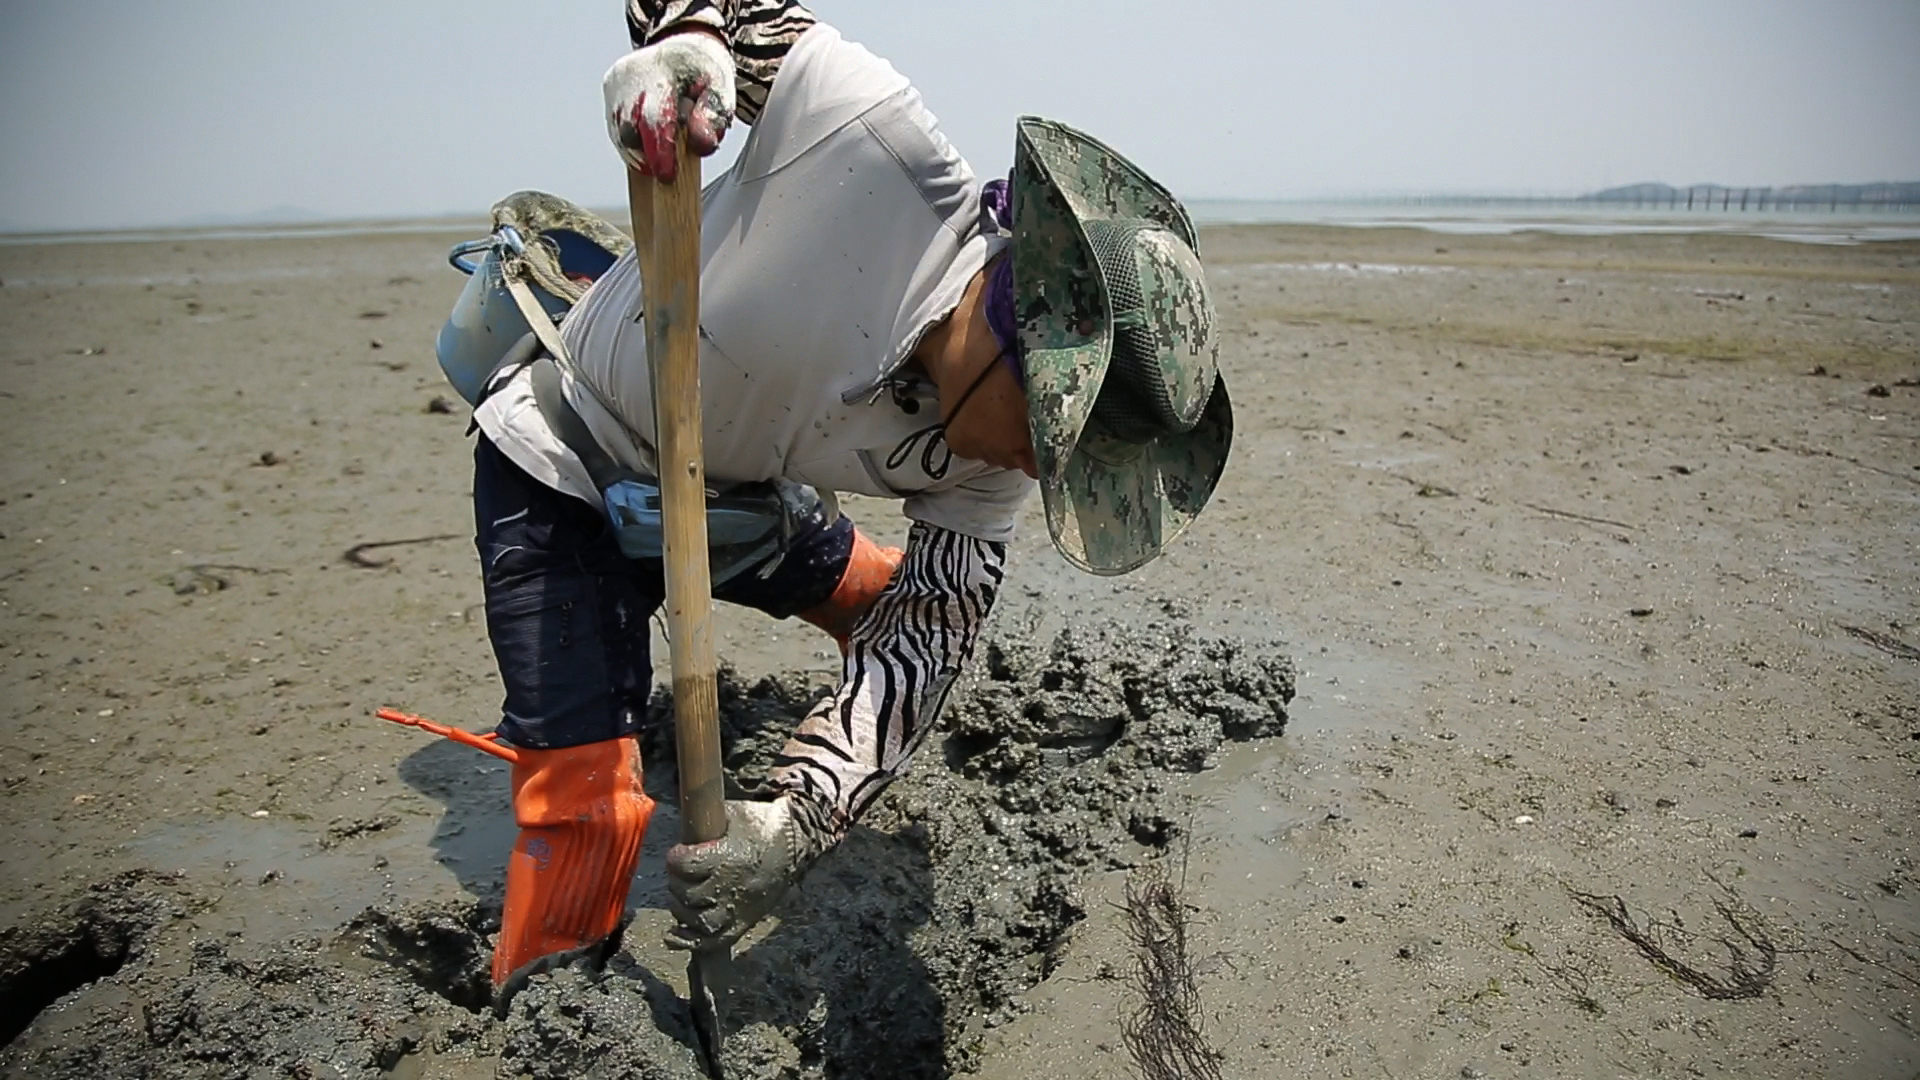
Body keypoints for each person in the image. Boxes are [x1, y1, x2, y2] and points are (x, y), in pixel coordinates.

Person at [460, 0, 1233, 1002]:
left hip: (735, 490)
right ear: (1019, 331)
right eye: (1051, 439)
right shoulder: (870, 137)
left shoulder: (989, 466)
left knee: (886, 608)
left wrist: (794, 823)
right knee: (587, 822)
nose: (1038, 476)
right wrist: (684, 44)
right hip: (564, 460)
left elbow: (926, 638)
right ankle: (552, 991)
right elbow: (736, 14)